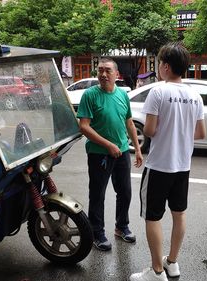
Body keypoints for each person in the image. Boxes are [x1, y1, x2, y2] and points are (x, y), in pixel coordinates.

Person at [130, 43, 206, 281]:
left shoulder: (158, 92)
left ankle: (156, 272)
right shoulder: (195, 95)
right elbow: (201, 133)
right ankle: (172, 263)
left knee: (152, 217)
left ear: (165, 66)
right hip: (182, 166)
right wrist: (180, 132)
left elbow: (150, 130)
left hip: (160, 165)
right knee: (179, 214)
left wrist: (167, 130)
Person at [77, 57, 143, 251]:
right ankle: (97, 232)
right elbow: (84, 126)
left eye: (107, 71)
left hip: (122, 151)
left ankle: (121, 227)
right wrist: (108, 145)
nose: (103, 74)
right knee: (97, 195)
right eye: (100, 70)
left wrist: (137, 150)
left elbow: (129, 122)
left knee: (125, 192)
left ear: (116, 74)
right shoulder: (90, 95)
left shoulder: (122, 95)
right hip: (99, 154)